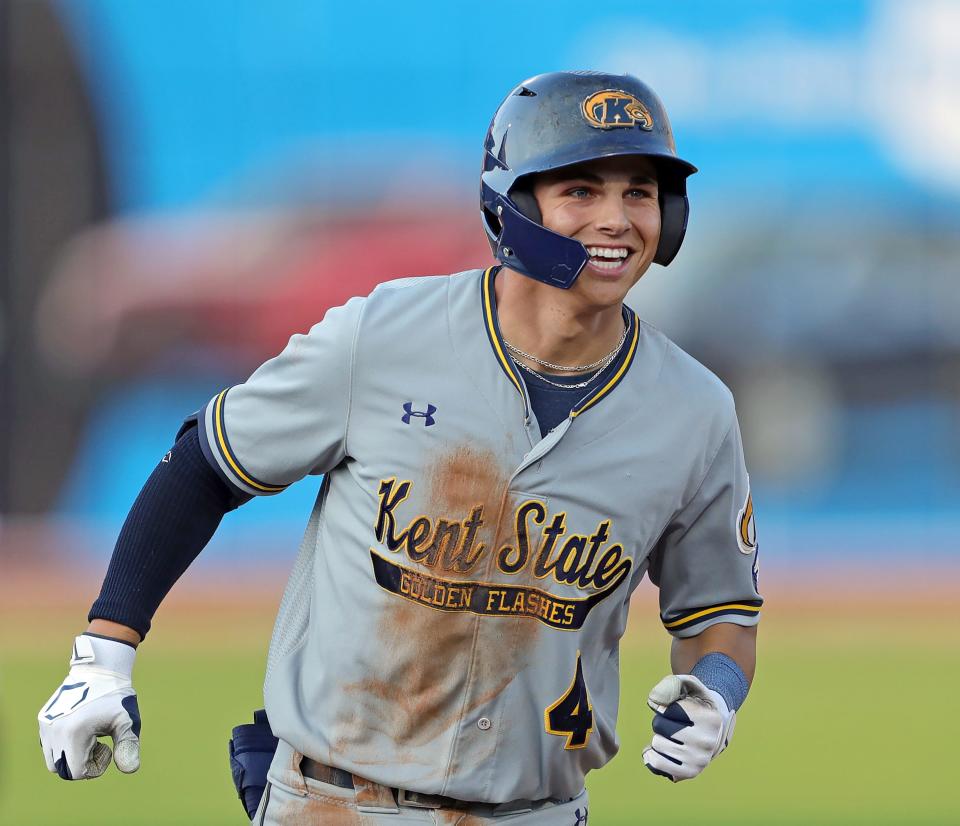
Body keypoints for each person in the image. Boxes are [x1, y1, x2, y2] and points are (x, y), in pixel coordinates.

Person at [38, 71, 762, 824]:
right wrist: (104, 653)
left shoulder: (694, 411)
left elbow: (721, 609)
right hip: (332, 803)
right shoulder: (384, 336)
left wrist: (715, 690)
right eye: (581, 191)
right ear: (513, 206)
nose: (616, 219)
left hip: (535, 811)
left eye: (640, 193)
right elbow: (206, 465)